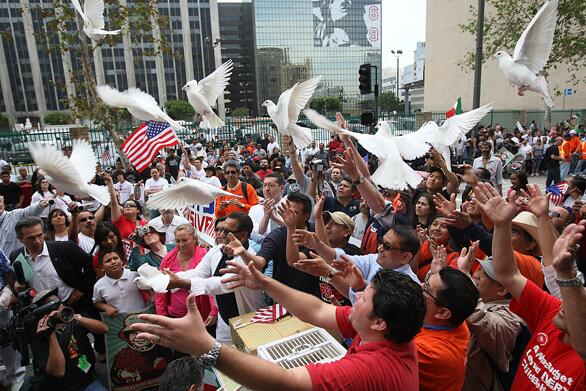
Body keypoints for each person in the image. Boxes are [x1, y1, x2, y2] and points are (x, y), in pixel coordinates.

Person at [131, 267, 426, 391]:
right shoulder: (383, 330)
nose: (357, 296)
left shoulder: (372, 367)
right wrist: (263, 282)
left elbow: (285, 383)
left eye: (365, 297)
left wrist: (205, 347)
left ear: (379, 322)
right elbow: (318, 310)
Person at [474, 182, 585, 390]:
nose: (564, 303)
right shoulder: (552, 312)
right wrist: (501, 226)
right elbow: (507, 274)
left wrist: (567, 275)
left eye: (576, 303)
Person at [165, 213, 265, 343]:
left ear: (243, 235)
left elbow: (222, 284)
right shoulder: (217, 250)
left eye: (227, 231)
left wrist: (181, 283)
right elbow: (198, 273)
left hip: (250, 319)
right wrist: (169, 277)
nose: (221, 234)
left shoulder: (249, 258)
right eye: (219, 229)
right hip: (224, 320)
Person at [224, 192, 320, 296]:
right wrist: (243, 252)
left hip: (314, 295)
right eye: (287, 211)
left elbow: (295, 261)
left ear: (306, 216)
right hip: (284, 298)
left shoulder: (315, 233)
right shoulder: (276, 236)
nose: (288, 215)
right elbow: (259, 263)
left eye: (294, 213)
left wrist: (291, 228)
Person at [460, 257, 527, 391]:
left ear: (503, 290)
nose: (476, 275)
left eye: (486, 274)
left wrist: (464, 282)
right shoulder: (482, 302)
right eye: (478, 269)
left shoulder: (513, 319)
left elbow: (483, 323)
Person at [25, 288, 108, 391]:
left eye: (58, 302)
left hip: (87, 381)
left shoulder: (72, 320)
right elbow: (58, 372)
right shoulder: (40, 336)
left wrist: (75, 318)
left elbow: (104, 328)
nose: (59, 307)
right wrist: (51, 335)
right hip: (63, 387)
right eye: (52, 305)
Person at [11, 217, 96, 314]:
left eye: (40, 235)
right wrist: (18, 286)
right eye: (31, 238)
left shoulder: (65, 248)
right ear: (20, 239)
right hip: (41, 311)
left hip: (73, 306)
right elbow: (19, 283)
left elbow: (91, 264)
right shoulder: (16, 257)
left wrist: (82, 289)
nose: (37, 241)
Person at [415, 265, 479, 391]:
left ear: (443, 313)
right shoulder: (457, 323)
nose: (420, 288)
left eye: (426, 289)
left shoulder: (427, 351)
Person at [155, 224, 217, 325]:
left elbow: (211, 283)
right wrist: (162, 315)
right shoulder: (168, 259)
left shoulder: (205, 255)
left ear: (194, 239)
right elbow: (160, 290)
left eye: (185, 240)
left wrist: (214, 311)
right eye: (177, 241)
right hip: (175, 316)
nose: (181, 244)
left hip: (201, 316)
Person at [93, 250, 146, 317]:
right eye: (108, 261)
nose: (113, 262)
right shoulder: (99, 285)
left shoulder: (135, 274)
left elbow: (148, 288)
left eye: (115, 258)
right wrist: (106, 307)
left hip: (143, 317)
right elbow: (97, 302)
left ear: (122, 261)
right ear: (102, 268)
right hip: (120, 322)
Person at [106, 175, 147, 240]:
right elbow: (114, 203)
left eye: (132, 205)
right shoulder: (119, 220)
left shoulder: (144, 223)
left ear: (138, 210)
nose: (128, 206)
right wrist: (110, 183)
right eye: (126, 206)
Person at [248, 173, 286, 239]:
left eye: (271, 185)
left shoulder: (289, 206)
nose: (267, 189)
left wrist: (276, 219)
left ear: (281, 188)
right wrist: (266, 217)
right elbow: (256, 235)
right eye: (264, 185)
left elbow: (293, 230)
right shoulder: (254, 209)